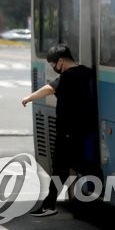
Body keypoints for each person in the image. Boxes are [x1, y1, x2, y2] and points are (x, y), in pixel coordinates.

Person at [20, 44, 100, 217]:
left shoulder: (68, 77)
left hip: (68, 131)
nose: (53, 68)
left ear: (61, 61)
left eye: (53, 64)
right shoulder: (86, 72)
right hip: (83, 129)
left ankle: (49, 205)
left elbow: (49, 88)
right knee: (69, 167)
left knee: (62, 168)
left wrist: (29, 98)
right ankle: (50, 204)